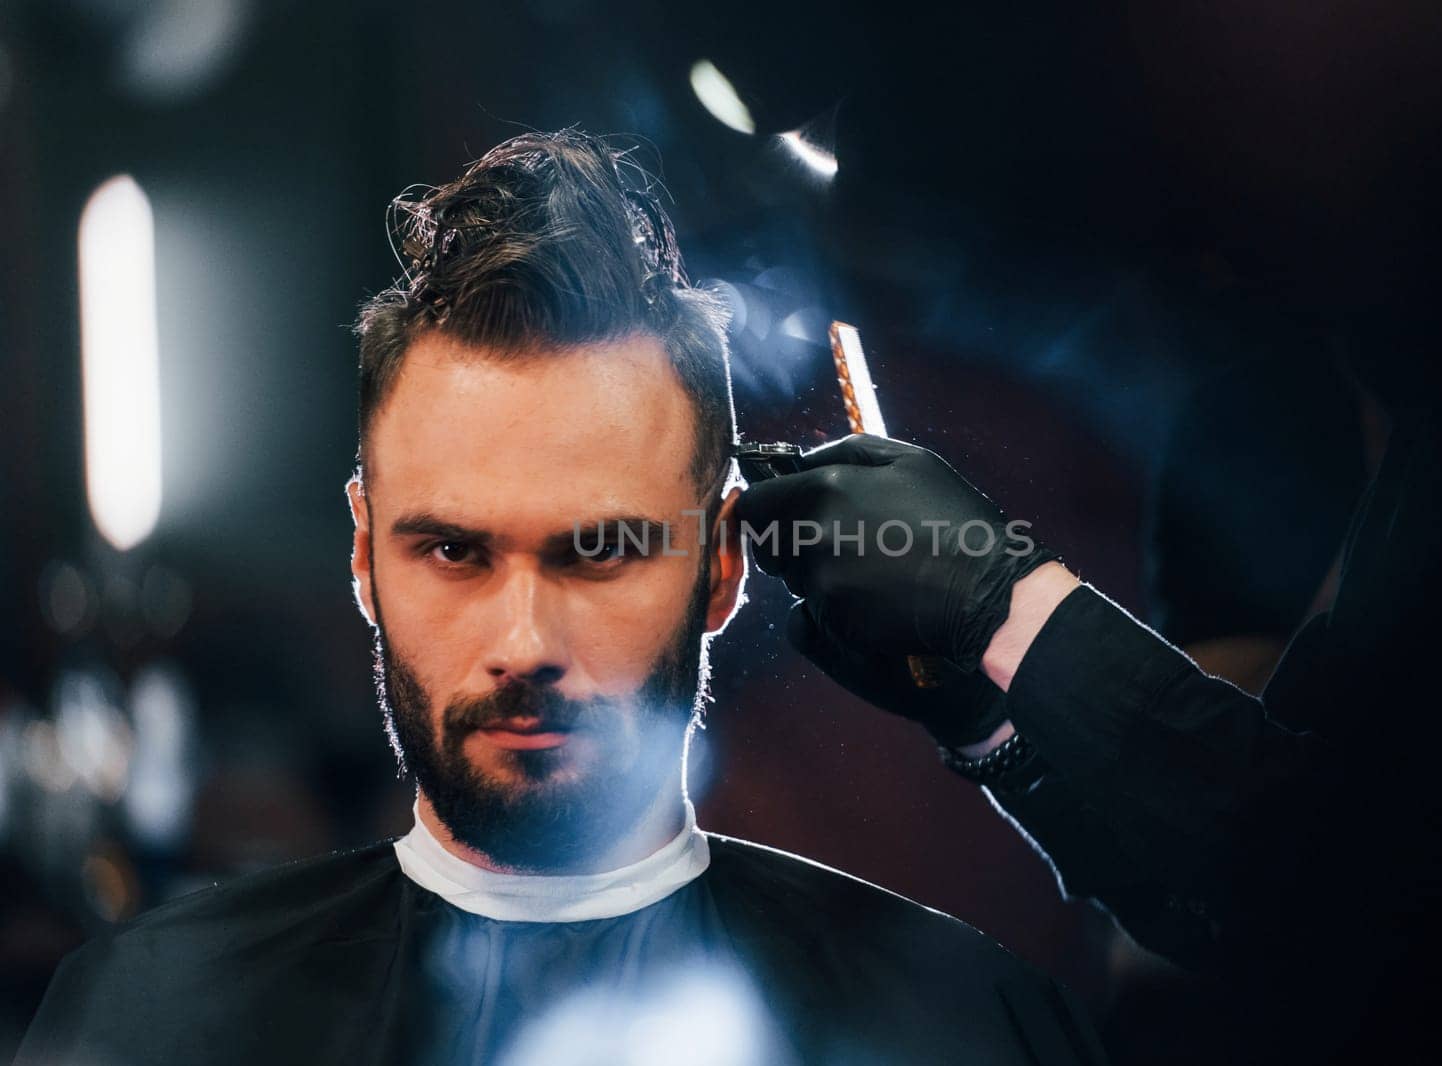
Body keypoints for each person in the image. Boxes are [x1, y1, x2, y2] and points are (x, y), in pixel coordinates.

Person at [15, 132, 1105, 1066]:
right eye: (451, 550)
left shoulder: (966, 1028)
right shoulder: (149, 1020)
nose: (524, 642)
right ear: (364, 558)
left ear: (722, 564)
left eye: (600, 551)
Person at [736, 400, 1442, 1061]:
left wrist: (1009, 608)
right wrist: (996, 722)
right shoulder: (1428, 434)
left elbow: (1382, 904)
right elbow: (1228, 918)